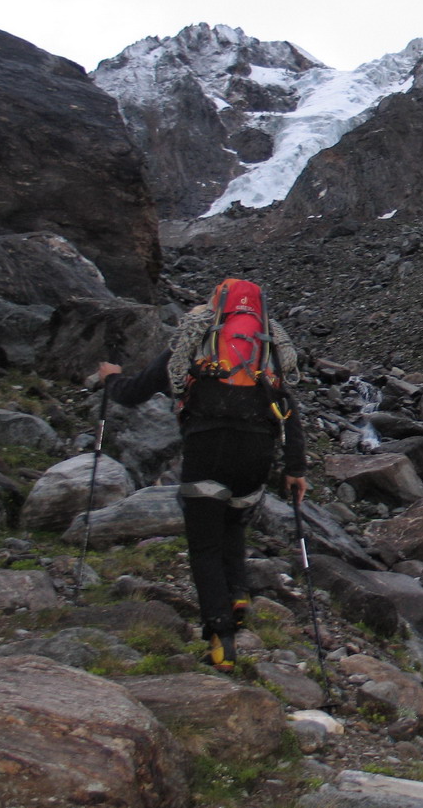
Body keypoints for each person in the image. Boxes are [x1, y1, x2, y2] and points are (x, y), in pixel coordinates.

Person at [98, 277, 309, 673]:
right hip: (256, 452)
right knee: (232, 519)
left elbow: (135, 391)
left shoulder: (196, 337)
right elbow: (287, 409)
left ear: (219, 304)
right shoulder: (270, 348)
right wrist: (296, 468)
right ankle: (238, 593)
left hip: (207, 445)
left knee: (204, 543)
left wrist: (111, 377)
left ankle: (220, 636)